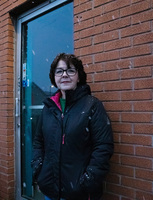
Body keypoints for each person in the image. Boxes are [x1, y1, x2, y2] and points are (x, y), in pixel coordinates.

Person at [31, 53, 114, 200]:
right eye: (59, 71)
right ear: (54, 78)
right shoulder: (48, 108)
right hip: (50, 191)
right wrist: (39, 170)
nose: (64, 75)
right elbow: (38, 142)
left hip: (79, 193)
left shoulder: (92, 106)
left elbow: (103, 147)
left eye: (70, 70)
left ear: (79, 76)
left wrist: (87, 180)